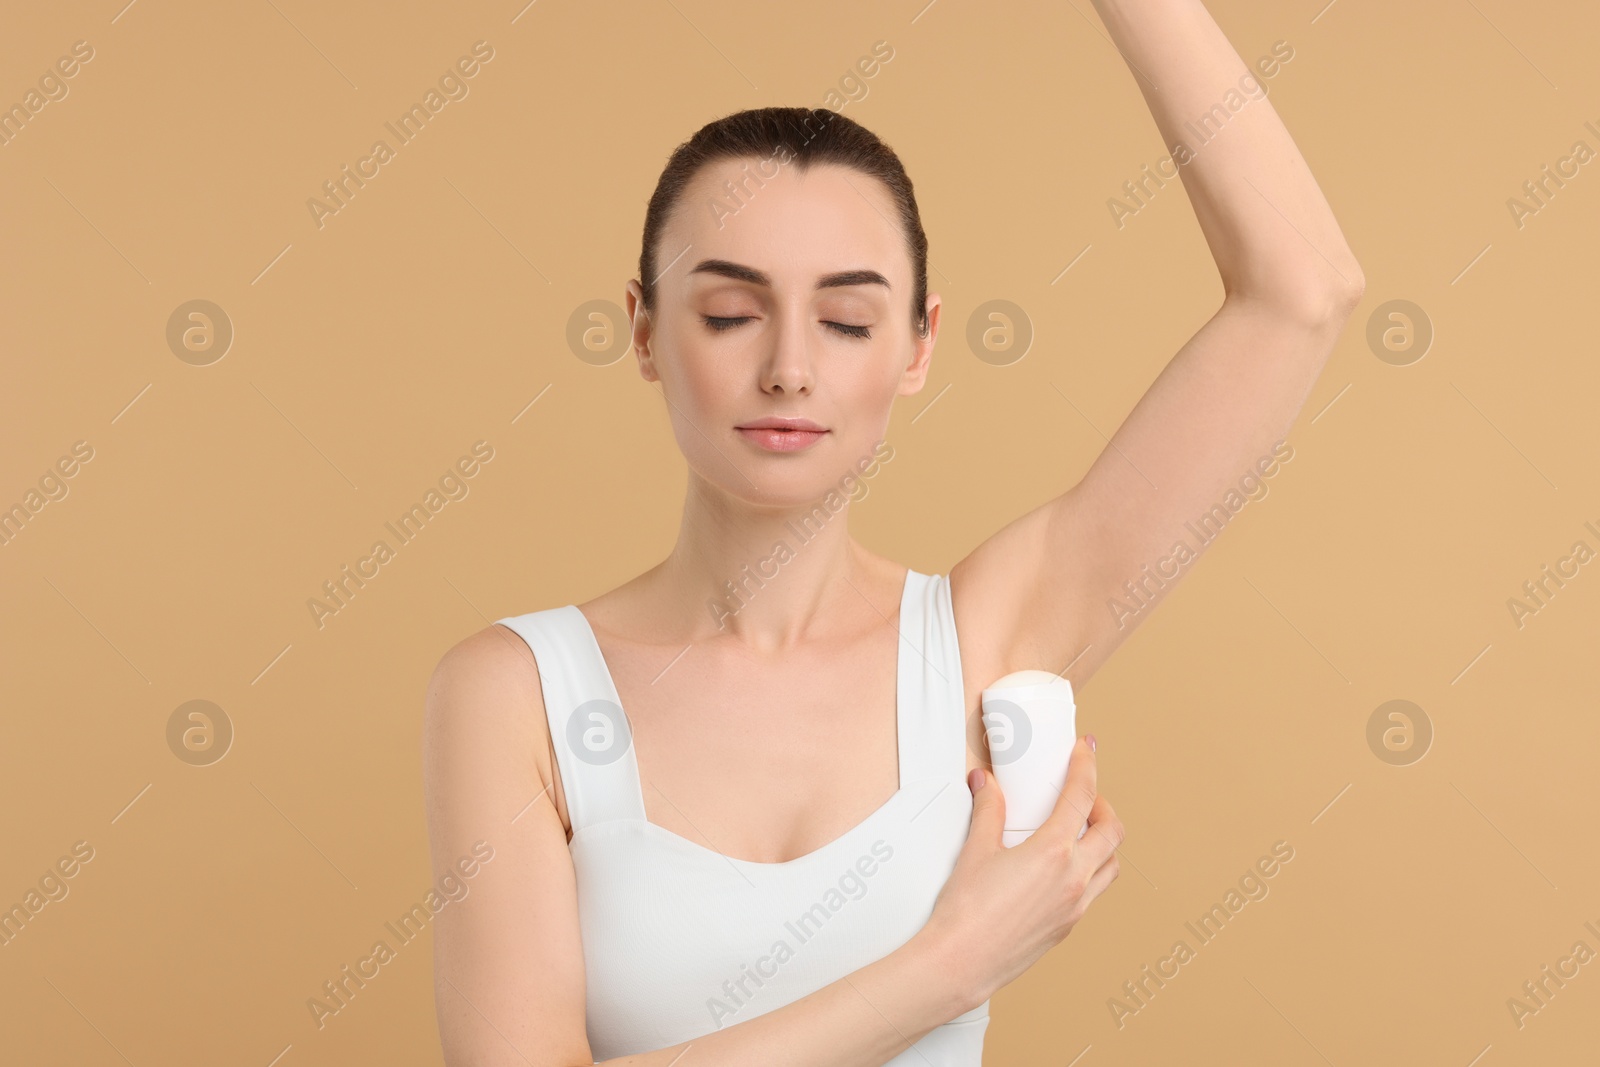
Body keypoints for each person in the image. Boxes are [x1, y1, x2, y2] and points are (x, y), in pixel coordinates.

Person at [422, 1, 1364, 1063]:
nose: (788, 365)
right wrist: (944, 969)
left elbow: (1303, 292)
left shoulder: (987, 636)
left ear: (918, 346)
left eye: (847, 319)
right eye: (730, 312)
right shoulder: (514, 693)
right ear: (643, 331)